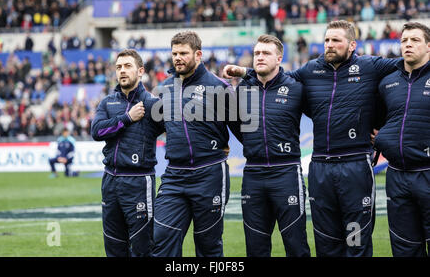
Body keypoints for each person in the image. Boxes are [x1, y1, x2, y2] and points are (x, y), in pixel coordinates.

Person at [224, 20, 402, 257]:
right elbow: (278, 78)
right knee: (326, 242)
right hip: (320, 166)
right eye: (327, 40)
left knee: (356, 240)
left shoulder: (371, 66)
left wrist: (384, 126)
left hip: (356, 164)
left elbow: (407, 77)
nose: (329, 45)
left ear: (352, 45)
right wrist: (247, 72)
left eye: (336, 40)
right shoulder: (310, 70)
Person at [152, 31, 239, 257]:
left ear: (198, 54)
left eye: (183, 53)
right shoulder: (165, 87)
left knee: (208, 245)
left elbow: (242, 130)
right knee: (160, 239)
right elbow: (157, 127)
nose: (178, 58)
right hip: (174, 175)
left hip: (209, 173)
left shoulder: (219, 87)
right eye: (174, 53)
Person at [235, 34, 310, 257]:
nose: (259, 57)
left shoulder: (296, 88)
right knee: (255, 249)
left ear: (279, 58)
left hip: (286, 171)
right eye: (257, 53)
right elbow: (233, 124)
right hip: (253, 174)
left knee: (296, 246)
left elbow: (324, 114)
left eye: (266, 53)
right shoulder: (243, 90)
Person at [91, 49, 164, 257]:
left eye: (128, 66)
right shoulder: (107, 102)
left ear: (140, 71)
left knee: (143, 248)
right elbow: (96, 131)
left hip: (139, 181)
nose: (122, 71)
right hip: (110, 181)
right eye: (119, 67)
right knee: (114, 247)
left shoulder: (152, 104)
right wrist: (127, 118)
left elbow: (175, 130)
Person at [373, 22, 430, 257]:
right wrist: (382, 137)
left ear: (428, 46)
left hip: (427, 172)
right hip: (397, 176)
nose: (408, 44)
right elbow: (378, 121)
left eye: (415, 40)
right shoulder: (387, 83)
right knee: (405, 248)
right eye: (404, 40)